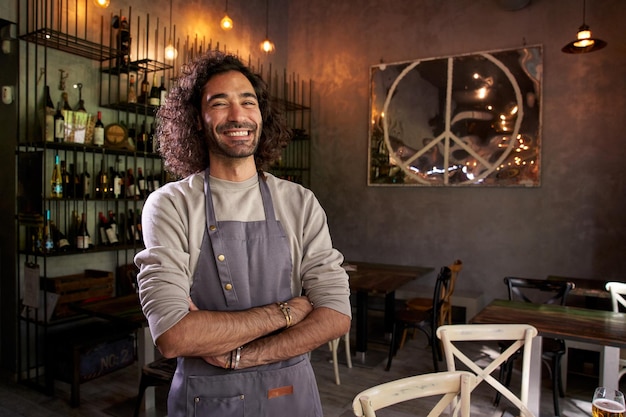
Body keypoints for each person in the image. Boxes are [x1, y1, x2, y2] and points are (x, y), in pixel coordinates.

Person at [134, 50, 352, 417]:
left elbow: (336, 314)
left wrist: (242, 356)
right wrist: (289, 311)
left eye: (247, 102)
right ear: (197, 121)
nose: (237, 116)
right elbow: (173, 335)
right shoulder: (170, 205)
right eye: (219, 103)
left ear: (261, 116)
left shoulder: (299, 202)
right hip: (207, 399)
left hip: (292, 397)